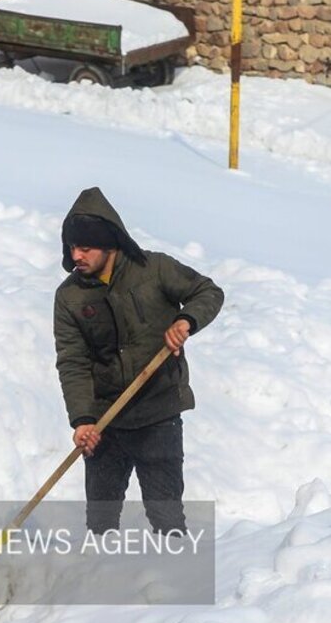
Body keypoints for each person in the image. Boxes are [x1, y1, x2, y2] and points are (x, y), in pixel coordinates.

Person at [53, 187, 224, 534]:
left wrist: (185, 321)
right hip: (105, 422)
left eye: (85, 247)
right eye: (72, 247)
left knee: (167, 518)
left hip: (158, 413)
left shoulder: (155, 269)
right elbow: (73, 361)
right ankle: (104, 580)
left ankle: (173, 578)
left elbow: (208, 291)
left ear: (109, 244)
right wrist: (83, 420)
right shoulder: (70, 297)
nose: (77, 255)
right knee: (101, 524)